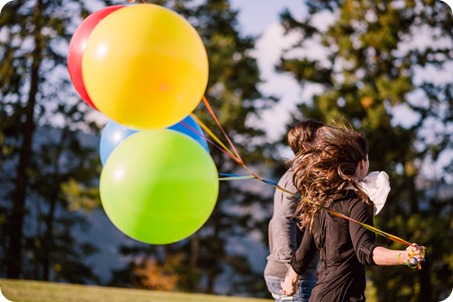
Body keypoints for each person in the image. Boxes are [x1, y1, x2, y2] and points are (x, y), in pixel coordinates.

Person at [280, 125, 425, 302]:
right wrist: (405, 256)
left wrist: (290, 280)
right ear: (362, 163)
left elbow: (304, 252)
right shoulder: (358, 202)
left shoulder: (322, 202)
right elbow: (365, 251)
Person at [264, 119, 324, 302]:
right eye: (322, 140)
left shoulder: (297, 176)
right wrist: (293, 270)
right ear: (307, 146)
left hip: (296, 273)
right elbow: (283, 219)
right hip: (291, 274)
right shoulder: (298, 178)